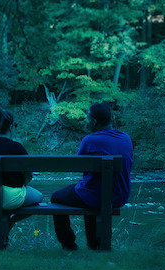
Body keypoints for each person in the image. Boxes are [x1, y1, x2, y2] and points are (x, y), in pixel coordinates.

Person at [51, 101, 134, 250]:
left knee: (57, 197)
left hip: (94, 195)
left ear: (94, 121)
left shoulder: (89, 140)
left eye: (89, 119)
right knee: (90, 192)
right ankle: (94, 245)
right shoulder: (125, 138)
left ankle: (68, 244)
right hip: (119, 195)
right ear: (111, 119)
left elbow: (78, 166)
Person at [0, 105, 44, 212]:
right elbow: (29, 174)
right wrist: (22, 185)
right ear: (11, 127)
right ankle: (11, 222)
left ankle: (4, 221)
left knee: (5, 200)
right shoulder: (17, 148)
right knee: (38, 197)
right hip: (12, 197)